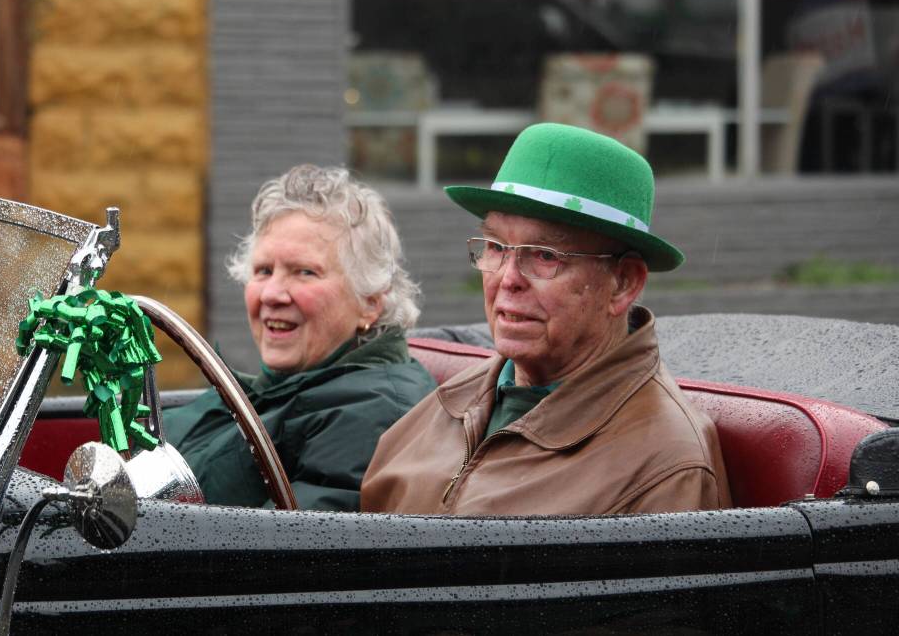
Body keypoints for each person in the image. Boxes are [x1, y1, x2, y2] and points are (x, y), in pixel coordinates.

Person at [361, 123, 732, 516]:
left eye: (545, 256)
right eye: (496, 247)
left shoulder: (667, 466)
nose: (507, 279)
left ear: (623, 283)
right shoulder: (450, 403)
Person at [164, 165, 436, 511]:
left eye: (304, 272)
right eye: (263, 270)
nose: (272, 294)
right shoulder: (279, 389)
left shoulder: (373, 415)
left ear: (370, 302)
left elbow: (278, 552)